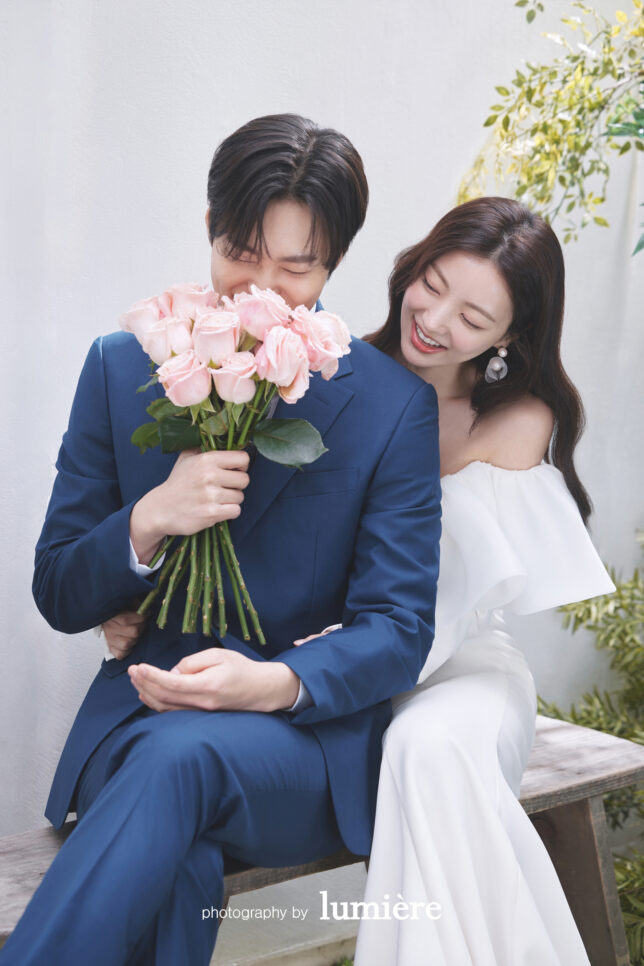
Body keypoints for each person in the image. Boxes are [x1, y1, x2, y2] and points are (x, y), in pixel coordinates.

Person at [0, 114, 442, 966]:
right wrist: (150, 519)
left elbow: (397, 629)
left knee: (181, 764)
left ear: (334, 263)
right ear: (210, 226)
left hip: (300, 750)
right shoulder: (122, 366)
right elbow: (58, 590)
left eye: (295, 268)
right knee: (177, 852)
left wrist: (271, 683)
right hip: (138, 725)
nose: (262, 290)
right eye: (242, 252)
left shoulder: (392, 409)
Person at [299, 196, 615, 965]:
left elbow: (454, 594)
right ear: (413, 265)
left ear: (510, 337)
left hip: (458, 667)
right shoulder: (331, 371)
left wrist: (329, 665)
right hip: (330, 662)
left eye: (474, 318)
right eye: (432, 285)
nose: (435, 321)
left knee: (428, 746)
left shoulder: (515, 418)